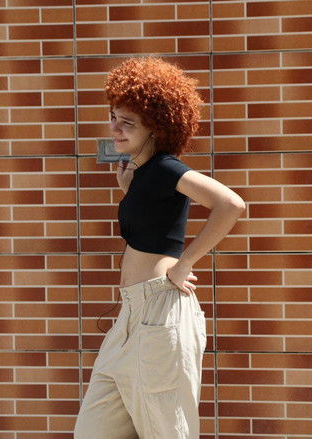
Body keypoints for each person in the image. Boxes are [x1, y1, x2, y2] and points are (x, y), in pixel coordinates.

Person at [73, 56, 246, 438]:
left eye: (128, 122)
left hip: (159, 312)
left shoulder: (168, 168)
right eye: (114, 117)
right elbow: (154, 225)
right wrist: (129, 192)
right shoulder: (143, 174)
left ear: (157, 125)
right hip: (130, 317)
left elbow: (230, 204)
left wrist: (185, 264)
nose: (115, 128)